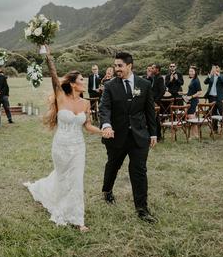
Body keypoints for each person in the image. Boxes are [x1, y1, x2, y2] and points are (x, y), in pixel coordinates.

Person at [24, 44, 104, 232]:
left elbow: (88, 126)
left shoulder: (86, 103)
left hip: (78, 147)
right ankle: (48, 193)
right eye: (82, 79)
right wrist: (48, 57)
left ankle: (78, 219)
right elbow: (54, 76)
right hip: (61, 146)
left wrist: (102, 131)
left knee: (76, 180)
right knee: (62, 177)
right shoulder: (61, 97)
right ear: (74, 83)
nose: (85, 81)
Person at [99, 52, 157, 223]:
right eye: (115, 65)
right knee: (113, 165)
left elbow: (150, 111)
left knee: (139, 171)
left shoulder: (144, 84)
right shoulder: (110, 86)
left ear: (129, 66)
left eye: (120, 66)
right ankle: (107, 190)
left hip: (139, 136)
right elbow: (104, 108)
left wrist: (153, 133)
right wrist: (106, 125)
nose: (116, 69)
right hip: (116, 135)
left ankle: (142, 209)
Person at [204, 65, 223, 132]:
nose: (215, 69)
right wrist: (209, 76)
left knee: (221, 112)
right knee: (213, 113)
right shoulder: (211, 76)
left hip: (220, 97)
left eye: (217, 68)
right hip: (211, 97)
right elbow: (205, 82)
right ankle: (215, 128)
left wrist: (219, 75)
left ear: (219, 69)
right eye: (214, 68)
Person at [183, 66, 203, 138]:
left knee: (192, 117)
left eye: (192, 71)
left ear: (195, 72)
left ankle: (196, 135)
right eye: (189, 71)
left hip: (193, 101)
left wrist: (191, 97)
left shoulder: (196, 81)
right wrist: (185, 93)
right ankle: (193, 134)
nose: (190, 73)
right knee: (190, 117)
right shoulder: (193, 80)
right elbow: (192, 91)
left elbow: (200, 92)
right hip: (189, 100)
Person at [151, 64, 166, 140]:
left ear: (157, 69)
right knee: (155, 119)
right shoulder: (154, 77)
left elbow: (162, 91)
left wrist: (156, 101)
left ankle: (158, 136)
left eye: (153, 68)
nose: (151, 69)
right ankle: (156, 135)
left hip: (156, 102)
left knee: (156, 119)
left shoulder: (160, 78)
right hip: (152, 101)